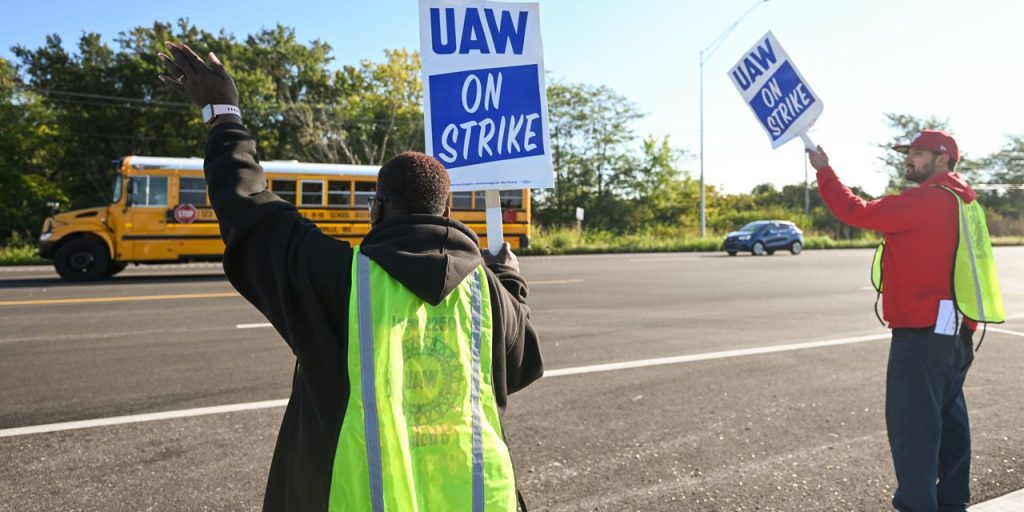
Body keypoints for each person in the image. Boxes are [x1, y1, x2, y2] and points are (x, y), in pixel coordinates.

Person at [159, 42, 542, 512]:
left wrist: (223, 113)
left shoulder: (340, 279)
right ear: (446, 211)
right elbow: (519, 362)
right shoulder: (489, 296)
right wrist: (508, 277)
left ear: (375, 209)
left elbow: (250, 209)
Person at [808, 130, 1002, 512]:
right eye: (907, 152)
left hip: (922, 334)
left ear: (944, 159)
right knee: (950, 420)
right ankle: (951, 501)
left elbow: (856, 211)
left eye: (918, 153)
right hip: (958, 331)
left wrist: (825, 170)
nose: (908, 158)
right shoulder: (965, 202)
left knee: (913, 425)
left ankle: (917, 505)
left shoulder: (925, 200)